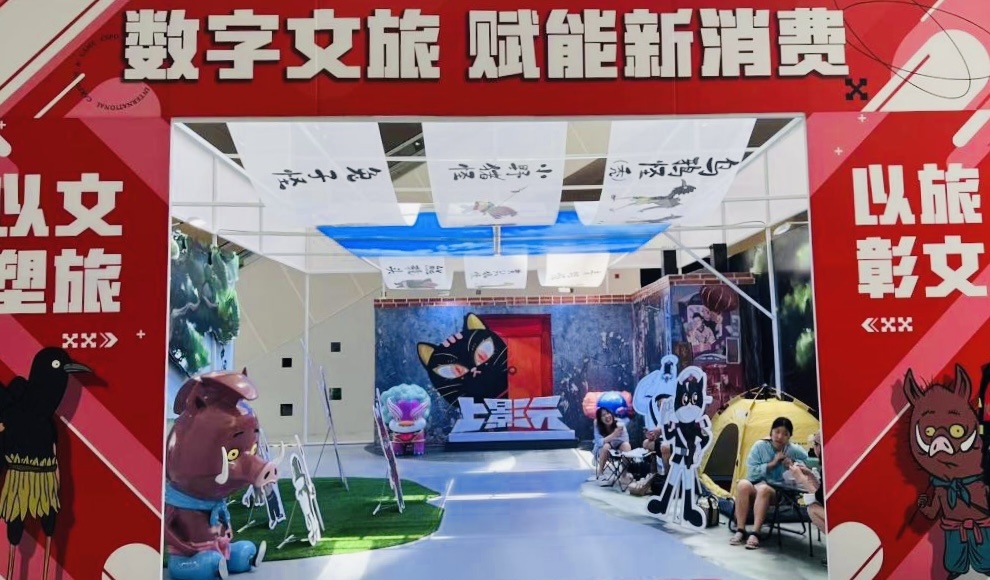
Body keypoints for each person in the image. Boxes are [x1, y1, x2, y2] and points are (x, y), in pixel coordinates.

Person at [729, 416, 809, 549]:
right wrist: (772, 464)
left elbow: (807, 462)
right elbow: (751, 473)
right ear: (771, 432)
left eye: (785, 434)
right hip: (756, 486)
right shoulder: (759, 446)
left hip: (778, 493)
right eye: (777, 431)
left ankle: (755, 533)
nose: (780, 436)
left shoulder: (792, 450)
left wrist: (793, 464)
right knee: (743, 484)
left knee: (764, 489)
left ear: (789, 437)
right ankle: (740, 529)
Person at [791, 431, 825, 534]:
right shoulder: (831, 462)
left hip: (843, 515)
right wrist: (810, 475)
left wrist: (802, 479)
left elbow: (821, 499)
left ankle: (837, 539)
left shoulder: (828, 467)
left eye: (815, 444)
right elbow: (822, 493)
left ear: (819, 446)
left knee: (812, 508)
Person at [590, 407, 631, 483]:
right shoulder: (597, 424)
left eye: (608, 413)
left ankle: (624, 475)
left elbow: (625, 439)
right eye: (603, 415)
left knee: (626, 446)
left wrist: (610, 439)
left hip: (618, 446)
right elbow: (598, 442)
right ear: (600, 419)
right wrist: (614, 435)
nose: (607, 416)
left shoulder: (619, 423)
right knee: (606, 446)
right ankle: (600, 473)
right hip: (603, 448)